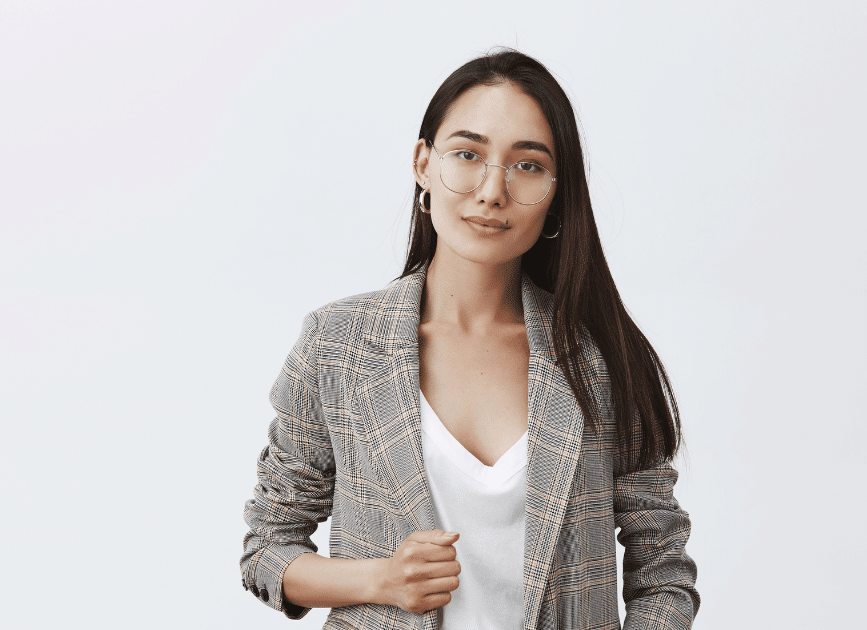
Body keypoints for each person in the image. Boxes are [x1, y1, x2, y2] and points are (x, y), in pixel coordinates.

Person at [239, 49, 700, 630]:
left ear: (559, 191)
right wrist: (380, 578)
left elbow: (662, 573)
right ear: (422, 165)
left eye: (527, 166)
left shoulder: (602, 360)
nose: (492, 190)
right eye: (467, 154)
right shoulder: (338, 346)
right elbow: (267, 551)